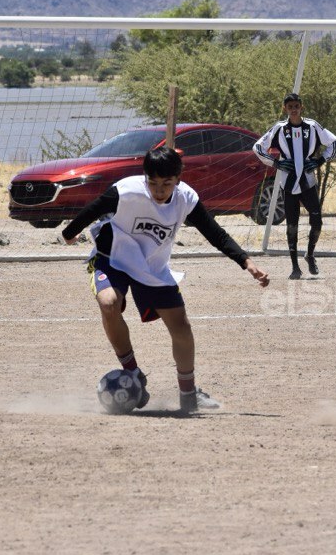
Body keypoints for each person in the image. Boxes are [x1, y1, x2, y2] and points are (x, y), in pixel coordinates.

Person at [62, 147, 269, 414]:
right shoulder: (126, 191)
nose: (159, 190)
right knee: (109, 303)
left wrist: (247, 262)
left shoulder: (186, 199)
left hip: (152, 267)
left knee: (180, 326)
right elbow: (94, 208)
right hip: (111, 258)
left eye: (166, 183)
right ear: (145, 178)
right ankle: (133, 373)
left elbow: (214, 233)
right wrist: (69, 233)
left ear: (178, 179)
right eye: (153, 183)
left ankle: (188, 394)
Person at [253, 92, 336, 279]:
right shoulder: (279, 128)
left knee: (317, 222)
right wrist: (275, 163)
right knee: (292, 225)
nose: (294, 109)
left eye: (296, 106)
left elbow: (335, 143)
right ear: (285, 108)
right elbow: (258, 147)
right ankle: (295, 267)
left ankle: (310, 254)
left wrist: (320, 160)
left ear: (302, 107)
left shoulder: (312, 126)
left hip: (308, 182)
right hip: (288, 183)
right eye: (290, 106)